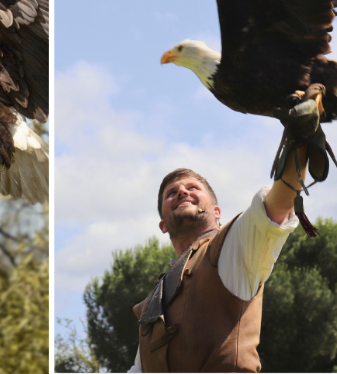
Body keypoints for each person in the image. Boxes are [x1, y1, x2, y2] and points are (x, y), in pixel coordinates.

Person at [128, 95, 324, 372]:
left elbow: (278, 204)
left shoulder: (232, 246)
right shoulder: (153, 305)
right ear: (163, 225)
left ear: (217, 212)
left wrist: (301, 140)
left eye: (193, 188)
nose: (182, 191)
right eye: (172, 193)